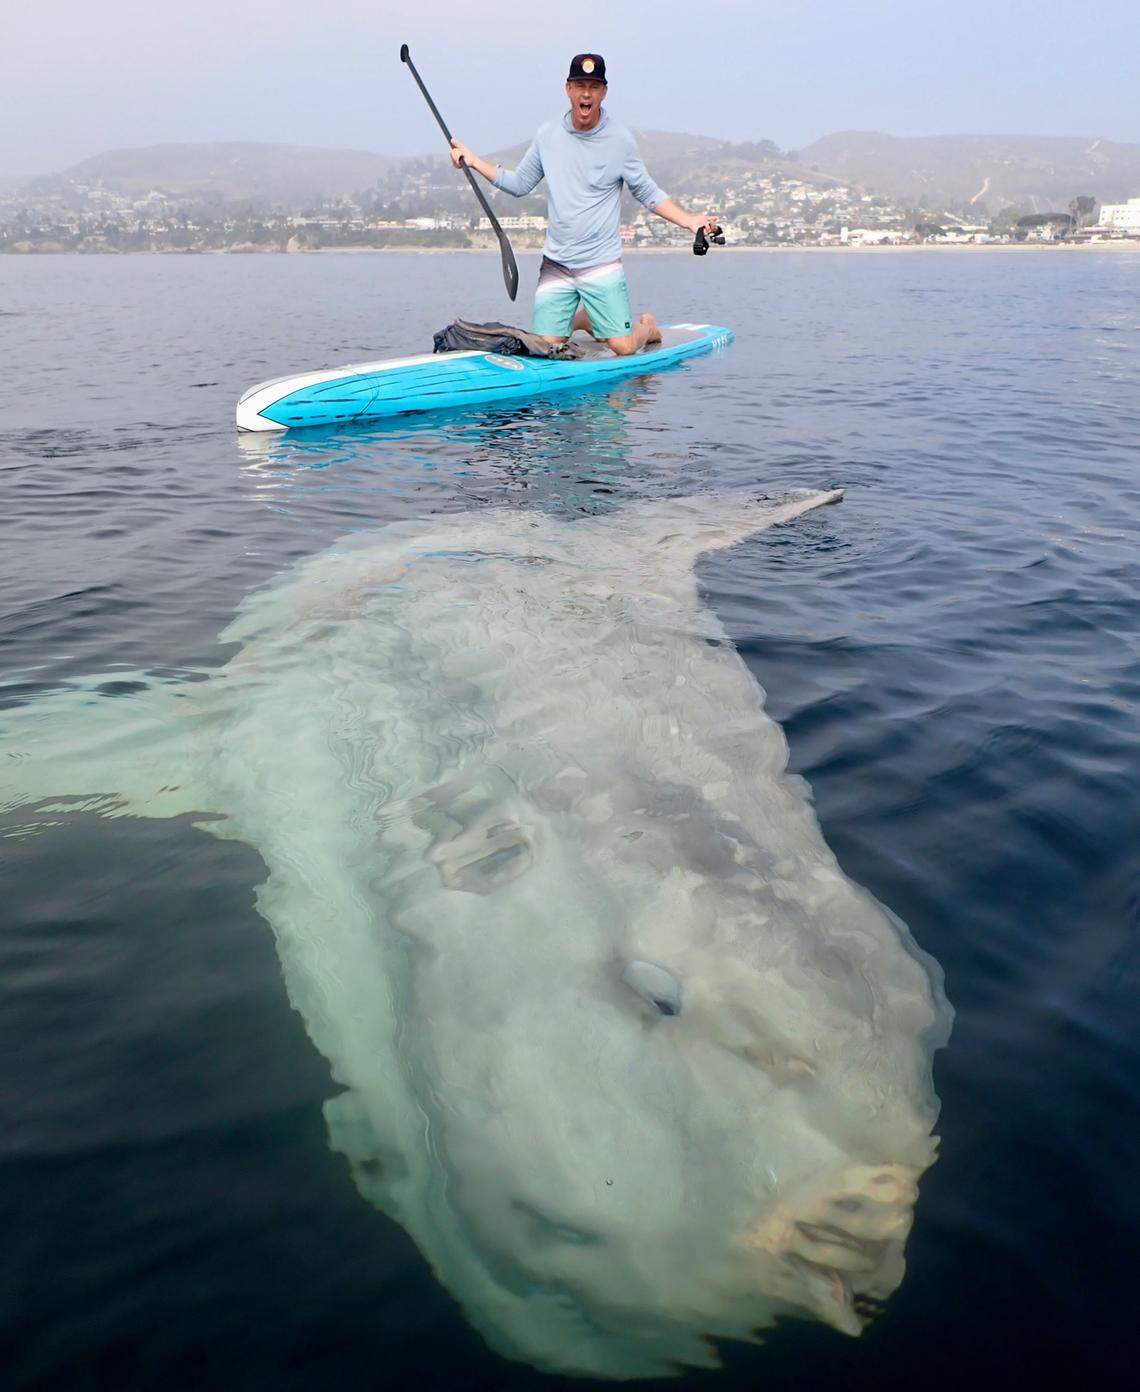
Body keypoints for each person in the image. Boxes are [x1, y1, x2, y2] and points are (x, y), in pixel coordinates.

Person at [449, 52, 719, 357]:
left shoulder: (620, 140)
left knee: (623, 347)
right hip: (557, 263)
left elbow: (648, 192)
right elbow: (519, 183)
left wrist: (689, 221)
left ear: (604, 92)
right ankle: (588, 318)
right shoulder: (547, 135)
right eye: (579, 85)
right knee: (546, 349)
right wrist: (472, 161)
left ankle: (647, 327)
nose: (586, 93)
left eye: (593, 86)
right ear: (568, 89)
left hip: (600, 264)